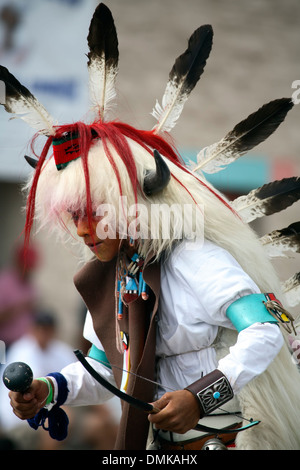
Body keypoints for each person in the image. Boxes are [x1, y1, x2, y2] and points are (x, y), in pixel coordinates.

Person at [1, 3, 300, 451]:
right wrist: (49, 389)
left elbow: (266, 330)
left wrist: (202, 397)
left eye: (94, 211)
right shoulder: (117, 275)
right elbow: (107, 369)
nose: (84, 230)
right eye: (74, 215)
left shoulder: (193, 258)